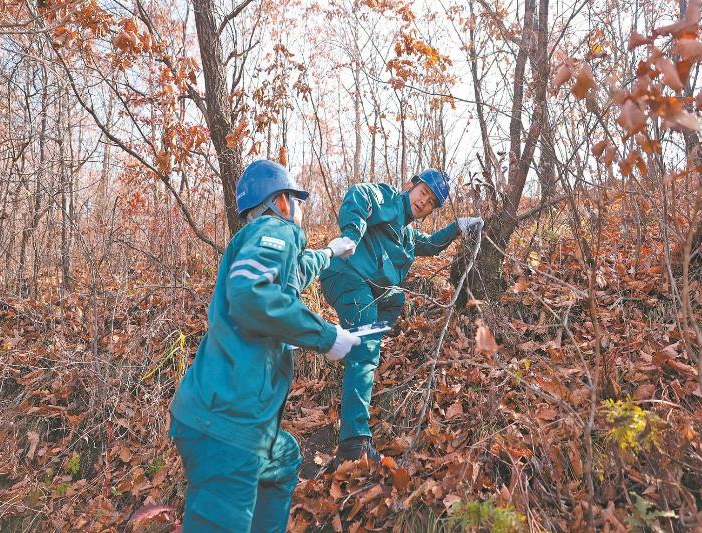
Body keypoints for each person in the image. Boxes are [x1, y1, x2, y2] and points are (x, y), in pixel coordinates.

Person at [169, 159, 361, 532]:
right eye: (297, 200)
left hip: (226, 422)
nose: (302, 209)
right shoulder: (275, 229)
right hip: (226, 430)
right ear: (281, 202)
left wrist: (332, 252)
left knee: (285, 458)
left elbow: (294, 273)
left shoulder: (268, 244)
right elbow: (250, 292)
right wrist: (327, 337)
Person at [319, 169, 484, 465]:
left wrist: (459, 226)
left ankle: (357, 348)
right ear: (411, 185)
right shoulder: (386, 198)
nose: (424, 202)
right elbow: (359, 194)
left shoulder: (407, 236)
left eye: (432, 202)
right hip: (344, 274)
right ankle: (353, 443)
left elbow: (431, 245)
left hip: (371, 289)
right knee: (367, 344)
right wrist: (352, 235)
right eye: (423, 192)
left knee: (396, 299)